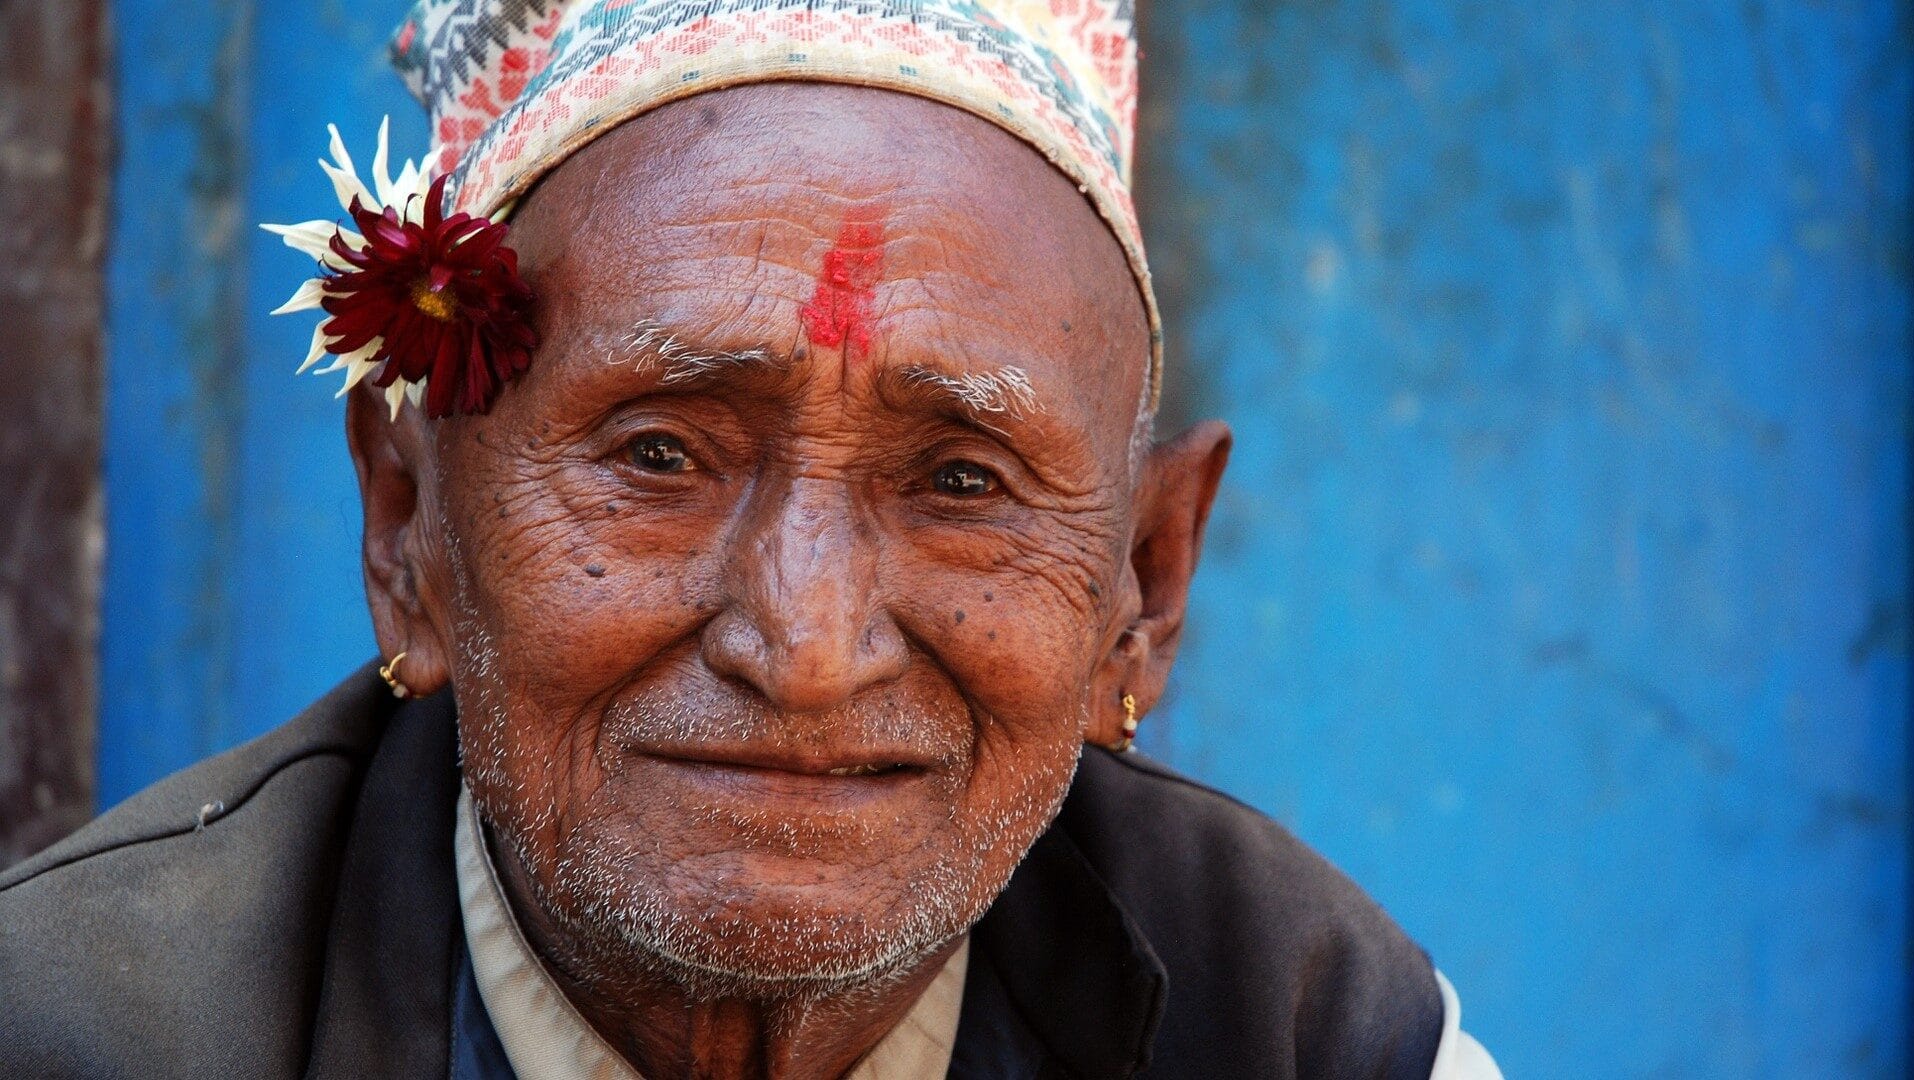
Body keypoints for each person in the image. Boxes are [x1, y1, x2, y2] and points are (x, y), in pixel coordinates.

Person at [0, 3, 1500, 1077]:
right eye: (659, 457)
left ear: (1148, 584)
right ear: (410, 534)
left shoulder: (1315, 1028)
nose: (805, 645)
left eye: (963, 483)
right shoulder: (87, 1029)